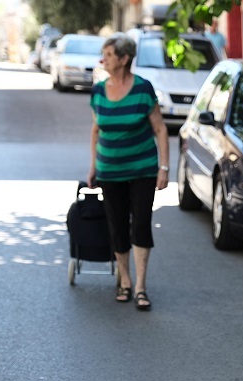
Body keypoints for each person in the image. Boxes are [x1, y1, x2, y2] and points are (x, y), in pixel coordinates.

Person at [88, 33, 170, 311]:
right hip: (109, 171)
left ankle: (141, 287)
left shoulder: (143, 89)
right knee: (118, 225)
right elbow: (95, 129)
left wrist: (164, 168)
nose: (103, 60)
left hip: (142, 170)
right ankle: (124, 280)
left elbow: (160, 129)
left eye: (108, 55)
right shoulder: (98, 91)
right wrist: (92, 166)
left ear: (123, 59)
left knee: (141, 224)